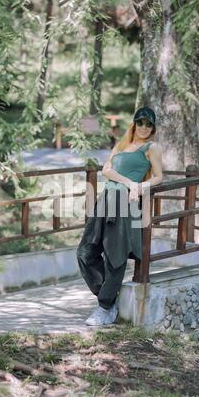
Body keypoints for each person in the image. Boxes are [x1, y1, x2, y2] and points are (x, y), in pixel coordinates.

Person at [76, 106, 163, 326]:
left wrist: (140, 186)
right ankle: (107, 295)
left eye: (148, 124)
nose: (144, 127)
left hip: (126, 204)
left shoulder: (152, 147)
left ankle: (105, 307)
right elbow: (106, 170)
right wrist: (129, 183)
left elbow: (159, 177)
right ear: (134, 123)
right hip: (106, 200)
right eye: (140, 123)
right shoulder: (122, 143)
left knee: (115, 255)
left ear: (152, 128)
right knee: (85, 252)